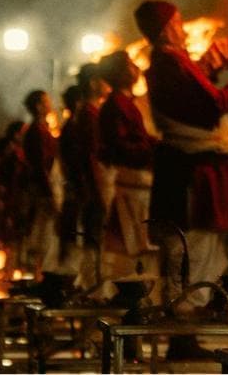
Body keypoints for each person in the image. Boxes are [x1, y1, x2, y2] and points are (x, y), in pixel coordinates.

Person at [136, 0, 228, 322]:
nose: (183, 27)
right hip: (193, 172)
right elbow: (212, 104)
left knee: (205, 245)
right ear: (166, 29)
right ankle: (184, 318)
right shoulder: (169, 62)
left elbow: (192, 97)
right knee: (194, 244)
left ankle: (188, 315)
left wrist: (210, 66)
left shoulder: (172, 62)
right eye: (178, 21)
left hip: (193, 167)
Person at [95, 51, 156, 281]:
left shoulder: (125, 102)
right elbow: (121, 145)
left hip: (139, 182)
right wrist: (151, 150)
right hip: (133, 184)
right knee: (137, 247)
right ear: (121, 73)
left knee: (141, 247)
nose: (136, 67)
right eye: (130, 64)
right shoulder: (116, 105)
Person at [60, 63, 109, 287]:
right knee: (95, 240)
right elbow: (91, 156)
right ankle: (94, 289)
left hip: (87, 188)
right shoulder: (89, 114)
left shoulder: (86, 114)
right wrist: (98, 189)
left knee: (93, 239)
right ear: (92, 83)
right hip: (93, 187)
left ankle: (91, 286)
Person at [21, 89, 65, 273]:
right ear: (39, 106)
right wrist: (48, 194)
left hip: (47, 187)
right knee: (46, 234)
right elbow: (40, 166)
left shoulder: (42, 129)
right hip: (44, 190)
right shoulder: (36, 131)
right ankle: (46, 276)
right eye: (46, 102)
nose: (50, 105)